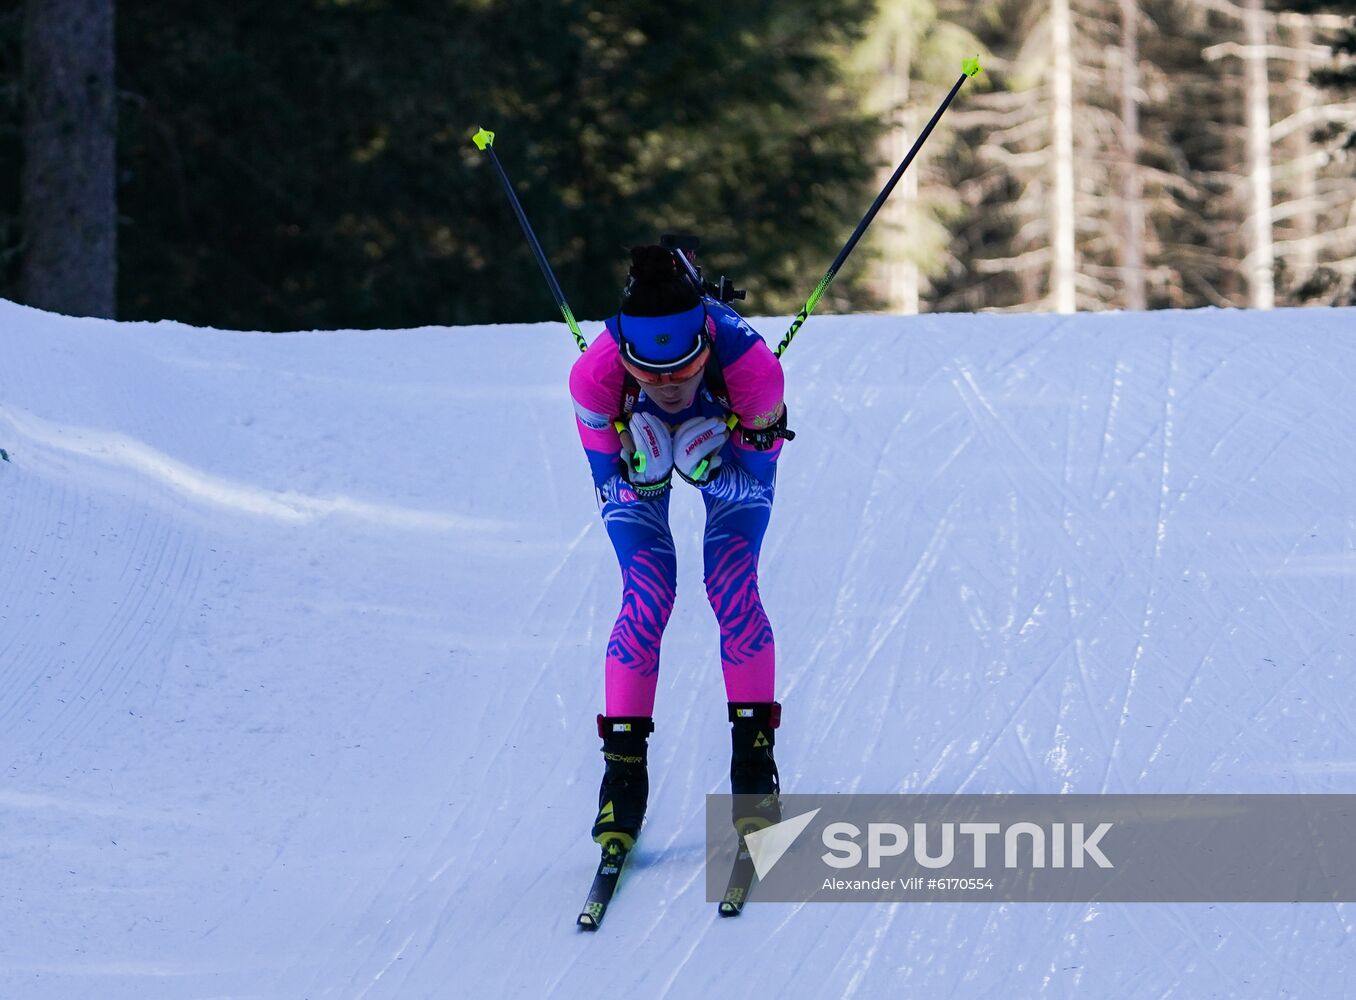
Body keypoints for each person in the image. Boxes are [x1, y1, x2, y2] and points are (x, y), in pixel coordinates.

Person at [568, 242, 793, 852]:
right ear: (626, 357)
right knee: (648, 593)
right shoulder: (594, 376)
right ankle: (623, 779)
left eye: (684, 368)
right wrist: (640, 473)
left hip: (726, 434)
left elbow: (756, 476)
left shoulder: (753, 371)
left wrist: (711, 471)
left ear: (706, 349)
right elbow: (606, 478)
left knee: (732, 586)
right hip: (634, 445)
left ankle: (754, 775)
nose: (667, 385)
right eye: (648, 372)